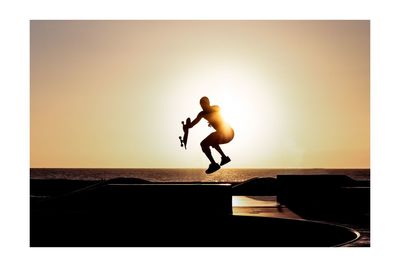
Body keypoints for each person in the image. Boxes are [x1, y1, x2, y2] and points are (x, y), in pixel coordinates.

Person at [188, 96, 234, 174]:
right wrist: (186, 126)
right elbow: (192, 124)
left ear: (208, 104)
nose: (203, 107)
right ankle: (224, 158)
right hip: (223, 135)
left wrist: (212, 119)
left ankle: (214, 164)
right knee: (211, 142)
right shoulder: (202, 114)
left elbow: (218, 109)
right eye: (201, 105)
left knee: (204, 143)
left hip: (228, 132)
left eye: (204, 105)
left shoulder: (215, 108)